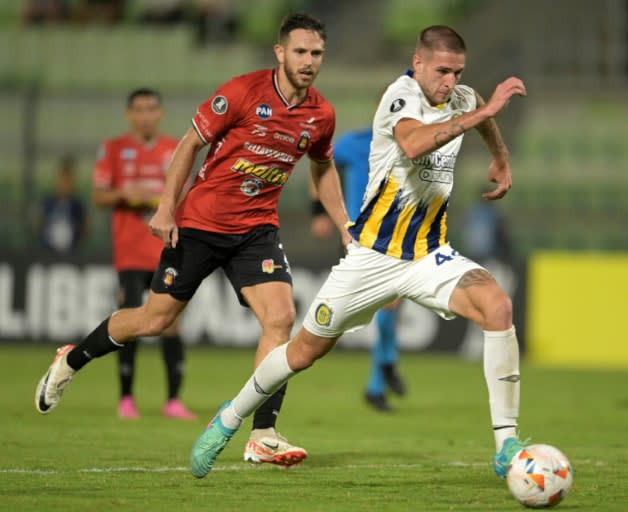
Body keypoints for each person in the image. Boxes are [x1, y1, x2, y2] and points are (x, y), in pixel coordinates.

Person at [188, 24, 528, 480]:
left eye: (457, 72)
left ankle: (506, 447)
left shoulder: (462, 98)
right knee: (303, 352)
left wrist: (500, 158)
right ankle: (228, 419)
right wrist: (485, 108)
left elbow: (481, 116)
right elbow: (413, 142)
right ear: (419, 62)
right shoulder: (401, 96)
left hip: (429, 255)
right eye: (442, 71)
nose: (449, 81)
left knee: (497, 305)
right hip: (371, 259)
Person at [34, 12, 351, 468]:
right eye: (299, 51)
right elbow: (189, 143)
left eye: (316, 53)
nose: (308, 61)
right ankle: (72, 359)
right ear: (279, 52)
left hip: (257, 230)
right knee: (153, 320)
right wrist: (166, 206)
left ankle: (262, 433)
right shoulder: (242, 92)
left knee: (280, 320)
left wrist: (341, 222)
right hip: (200, 224)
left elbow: (322, 168)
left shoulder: (321, 114)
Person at [91, 87, 195, 420]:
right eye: (139, 109)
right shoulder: (113, 149)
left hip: (167, 249)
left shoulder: (174, 150)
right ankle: (126, 399)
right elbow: (98, 196)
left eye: (152, 108)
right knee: (130, 319)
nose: (146, 115)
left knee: (171, 324)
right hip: (130, 251)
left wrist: (161, 199)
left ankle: (173, 400)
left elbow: (189, 194)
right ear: (129, 115)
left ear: (160, 113)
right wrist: (125, 192)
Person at [310, 123, 407, 413]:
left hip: (399, 234)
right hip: (360, 235)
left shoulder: (414, 142)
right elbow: (317, 162)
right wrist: (318, 210)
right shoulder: (355, 143)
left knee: (393, 302)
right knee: (385, 303)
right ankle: (379, 378)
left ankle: (386, 364)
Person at [39, 155, 88, 254]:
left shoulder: (77, 205)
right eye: (62, 180)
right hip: (48, 252)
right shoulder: (48, 202)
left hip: (72, 252)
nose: (65, 185)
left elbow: (85, 227)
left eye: (68, 181)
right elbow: (40, 223)